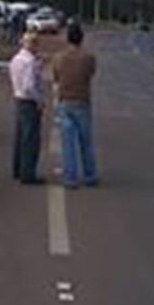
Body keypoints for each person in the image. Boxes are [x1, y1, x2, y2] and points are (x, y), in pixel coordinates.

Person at [51, 22, 98, 189]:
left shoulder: (58, 57)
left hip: (65, 100)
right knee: (86, 141)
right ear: (81, 38)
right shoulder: (89, 57)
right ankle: (90, 175)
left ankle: (71, 177)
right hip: (83, 100)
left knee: (68, 142)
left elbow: (55, 77)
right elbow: (91, 74)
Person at [9, 32, 45, 185]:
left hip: (18, 98)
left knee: (20, 136)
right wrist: (39, 100)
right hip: (29, 101)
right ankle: (28, 173)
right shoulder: (30, 62)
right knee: (30, 139)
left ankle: (17, 168)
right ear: (32, 44)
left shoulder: (16, 59)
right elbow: (29, 86)